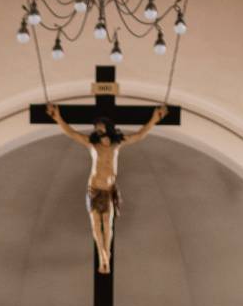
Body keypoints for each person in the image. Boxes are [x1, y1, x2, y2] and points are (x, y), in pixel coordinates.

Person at [47, 103, 169, 273]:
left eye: (100, 125)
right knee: (96, 224)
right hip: (94, 188)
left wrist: (155, 119)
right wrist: (58, 117)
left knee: (108, 223)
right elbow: (72, 133)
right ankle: (102, 256)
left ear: (107, 127)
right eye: (96, 126)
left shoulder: (116, 144)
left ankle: (107, 255)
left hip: (109, 189)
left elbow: (140, 135)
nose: (97, 128)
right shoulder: (92, 144)